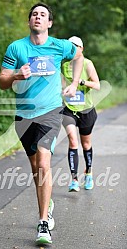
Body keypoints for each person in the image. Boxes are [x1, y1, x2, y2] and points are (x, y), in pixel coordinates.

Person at [0, 3, 84, 245]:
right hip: (24, 116)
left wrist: (75, 82)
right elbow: (2, 81)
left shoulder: (59, 46)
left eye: (43, 15)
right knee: (36, 168)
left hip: (50, 112)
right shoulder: (16, 47)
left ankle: (43, 222)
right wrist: (16, 75)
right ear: (29, 22)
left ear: (49, 23)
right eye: (34, 14)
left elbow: (79, 56)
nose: (38, 17)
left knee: (44, 162)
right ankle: (47, 202)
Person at [62, 36, 100, 192]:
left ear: (81, 48)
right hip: (69, 109)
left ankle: (89, 173)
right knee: (72, 141)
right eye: (69, 46)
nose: (72, 48)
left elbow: (97, 85)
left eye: (75, 46)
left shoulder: (87, 64)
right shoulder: (63, 64)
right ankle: (74, 180)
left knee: (86, 144)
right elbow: (60, 82)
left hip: (86, 110)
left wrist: (81, 82)